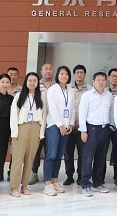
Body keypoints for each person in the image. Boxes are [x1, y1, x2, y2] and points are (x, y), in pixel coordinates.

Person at [10, 72, 46, 197]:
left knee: (30, 159)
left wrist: (41, 133)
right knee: (17, 158)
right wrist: (14, 132)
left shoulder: (41, 97)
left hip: (35, 127)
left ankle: (24, 185)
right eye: (30, 80)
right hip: (22, 127)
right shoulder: (19, 95)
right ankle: (14, 186)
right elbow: (13, 114)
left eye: (34, 80)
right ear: (26, 82)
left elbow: (43, 116)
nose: (32, 83)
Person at [79, 71, 114, 197]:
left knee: (101, 158)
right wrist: (83, 131)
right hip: (91, 129)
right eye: (98, 80)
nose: (101, 82)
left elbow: (111, 112)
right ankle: (85, 184)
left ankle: (98, 183)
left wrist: (111, 127)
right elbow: (82, 113)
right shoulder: (87, 95)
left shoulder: (109, 95)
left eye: (103, 80)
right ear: (93, 82)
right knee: (88, 158)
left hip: (105, 129)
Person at [42, 65, 75, 196]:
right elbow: (53, 109)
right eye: (61, 74)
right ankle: (47, 184)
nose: (64, 76)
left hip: (66, 127)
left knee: (59, 156)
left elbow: (72, 108)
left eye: (66, 74)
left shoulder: (70, 90)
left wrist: (71, 124)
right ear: (57, 75)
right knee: (51, 155)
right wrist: (60, 125)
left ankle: (55, 181)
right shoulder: (52, 89)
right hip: (54, 126)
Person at [63, 64, 91, 186]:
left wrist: (82, 122)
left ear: (85, 74)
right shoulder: (67, 88)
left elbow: (91, 108)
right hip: (68, 127)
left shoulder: (90, 89)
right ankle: (69, 176)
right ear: (74, 74)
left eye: (81, 72)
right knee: (68, 153)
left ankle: (81, 176)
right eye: (77, 72)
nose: (79, 74)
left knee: (82, 153)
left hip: (83, 127)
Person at [29, 63, 54, 185]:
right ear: (41, 71)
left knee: (50, 150)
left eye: (50, 69)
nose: (48, 71)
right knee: (36, 149)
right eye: (46, 69)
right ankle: (34, 173)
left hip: (53, 122)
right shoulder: (35, 84)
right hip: (38, 122)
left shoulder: (57, 86)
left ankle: (47, 174)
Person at [106, 68, 117, 186]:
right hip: (105, 126)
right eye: (112, 76)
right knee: (101, 152)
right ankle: (99, 177)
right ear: (108, 77)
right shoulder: (103, 91)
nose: (114, 78)